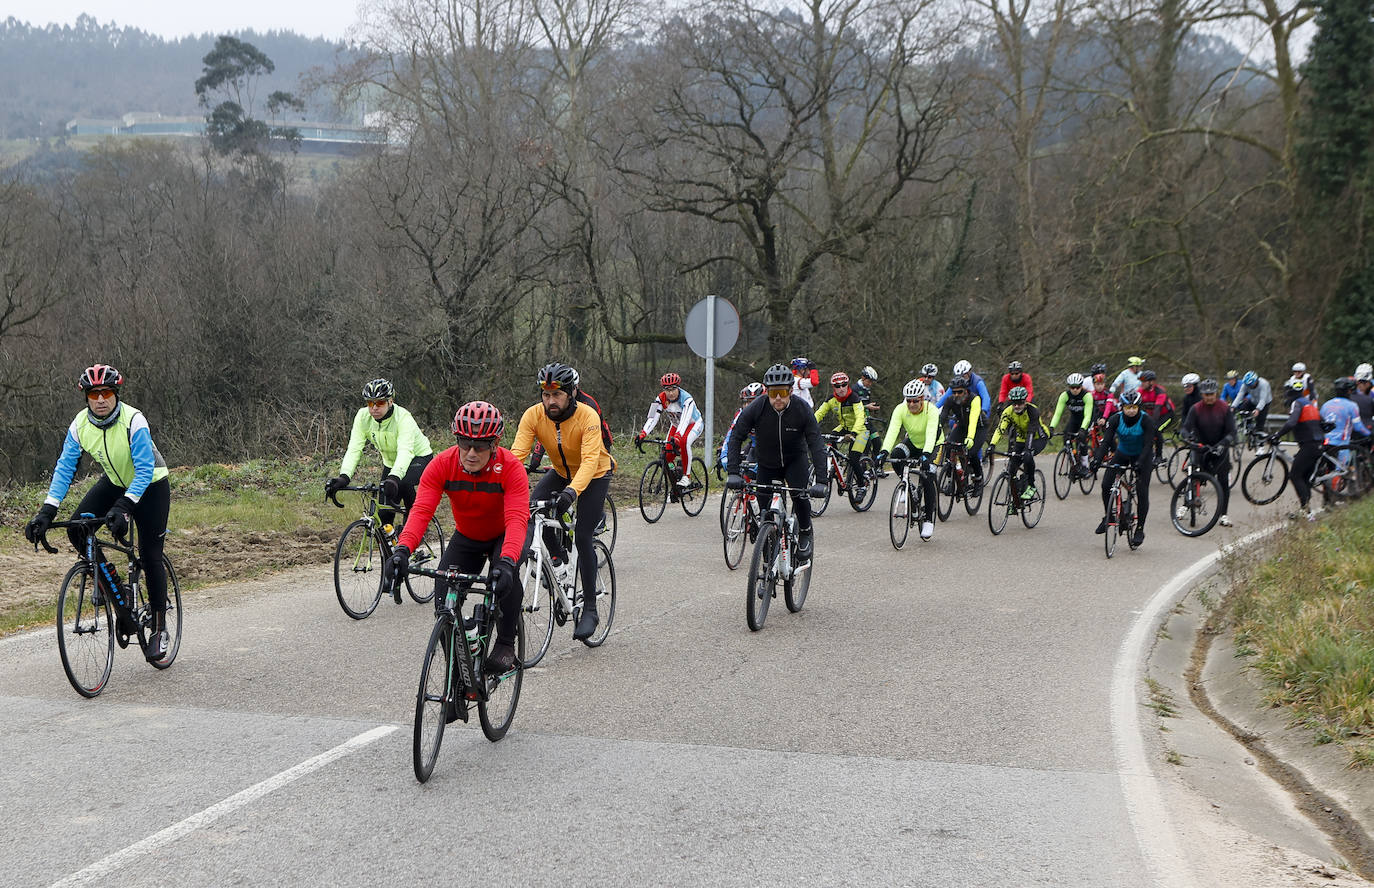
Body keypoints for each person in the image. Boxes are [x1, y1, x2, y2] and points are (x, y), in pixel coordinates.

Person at [24, 364, 173, 659]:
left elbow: (144, 470)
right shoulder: (80, 425)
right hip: (116, 482)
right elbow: (65, 468)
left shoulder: (134, 421)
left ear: (115, 394)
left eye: (106, 392)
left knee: (150, 555)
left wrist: (125, 506)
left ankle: (159, 627)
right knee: (77, 528)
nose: (100, 399)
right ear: (87, 398)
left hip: (152, 485)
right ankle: (119, 590)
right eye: (94, 394)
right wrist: (46, 512)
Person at [385, 402, 529, 677]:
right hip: (468, 536)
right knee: (443, 603)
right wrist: (402, 550)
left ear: (495, 444)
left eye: (481, 446)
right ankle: (458, 675)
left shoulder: (511, 468)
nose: (471, 453)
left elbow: (516, 520)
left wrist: (508, 562)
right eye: (465, 443)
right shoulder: (442, 465)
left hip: (503, 535)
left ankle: (506, 642)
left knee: (506, 582)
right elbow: (421, 512)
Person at [510, 362, 614, 641]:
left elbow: (591, 461)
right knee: (531, 510)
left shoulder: (587, 416)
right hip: (559, 471)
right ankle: (558, 559)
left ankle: (590, 607)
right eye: (545, 395)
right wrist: (504, 486)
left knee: (582, 535)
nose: (550, 401)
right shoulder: (533, 415)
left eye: (556, 395)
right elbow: (517, 456)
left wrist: (572, 492)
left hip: (594, 475)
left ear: (571, 393)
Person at [725, 364, 828, 562]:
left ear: (790, 391)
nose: (778, 398)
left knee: (799, 497)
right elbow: (736, 436)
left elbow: (816, 443)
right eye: (773, 393)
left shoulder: (801, 409)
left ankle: (805, 531)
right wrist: (734, 472)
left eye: (782, 392)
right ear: (767, 392)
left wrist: (822, 481)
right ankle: (766, 562)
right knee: (765, 514)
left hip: (794, 461)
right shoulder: (758, 407)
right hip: (767, 464)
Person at [325, 378, 435, 527]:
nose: (374, 408)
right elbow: (354, 449)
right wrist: (344, 477)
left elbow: (405, 451)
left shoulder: (403, 418)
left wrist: (395, 477)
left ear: (391, 401)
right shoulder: (363, 417)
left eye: (380, 403)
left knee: (403, 483)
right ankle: (391, 547)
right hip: (391, 464)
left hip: (418, 457)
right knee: (384, 515)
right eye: (370, 403)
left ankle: (416, 525)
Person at [875, 379, 940, 540]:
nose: (911, 404)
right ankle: (907, 485)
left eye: (915, 401)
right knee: (896, 455)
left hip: (933, 444)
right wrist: (884, 451)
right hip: (913, 442)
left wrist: (926, 454)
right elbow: (892, 431)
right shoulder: (900, 409)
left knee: (927, 476)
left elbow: (931, 434)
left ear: (922, 399)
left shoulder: (931, 411)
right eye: (908, 400)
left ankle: (928, 519)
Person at [1092, 391, 1156, 546]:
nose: (1131, 410)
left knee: (1142, 491)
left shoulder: (1145, 420)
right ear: (1122, 407)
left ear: (1139, 407)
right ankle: (1109, 517)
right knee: (1106, 485)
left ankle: (1139, 529)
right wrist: (1097, 460)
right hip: (1122, 453)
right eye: (1128, 407)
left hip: (1142, 456)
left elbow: (1148, 444)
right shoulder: (1115, 419)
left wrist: (1140, 462)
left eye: (1134, 407)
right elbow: (1106, 442)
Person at [1179, 379, 1237, 527]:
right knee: (1193, 477)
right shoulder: (1196, 408)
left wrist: (1223, 444)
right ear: (1202, 394)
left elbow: (1232, 432)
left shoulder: (1224, 408)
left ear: (1216, 393)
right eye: (1206, 394)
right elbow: (1185, 428)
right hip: (1201, 447)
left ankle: (1224, 515)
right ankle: (1186, 505)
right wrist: (1188, 438)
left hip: (1220, 448)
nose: (1209, 397)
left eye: (1211, 394)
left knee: (1223, 481)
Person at [635, 372, 702, 490]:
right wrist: (643, 434)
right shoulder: (660, 399)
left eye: (673, 389)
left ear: (678, 388)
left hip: (693, 424)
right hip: (676, 426)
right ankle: (674, 482)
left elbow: (685, 421)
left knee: (684, 442)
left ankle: (686, 476)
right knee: (667, 454)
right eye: (667, 390)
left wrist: (677, 437)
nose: (670, 393)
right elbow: (652, 418)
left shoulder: (687, 399)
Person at [1273, 377, 1325, 520]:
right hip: (1318, 443)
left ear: (1289, 391)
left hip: (1310, 444)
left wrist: (1277, 435)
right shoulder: (1309, 403)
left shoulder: (1297, 403)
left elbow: (1291, 423)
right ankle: (1307, 512)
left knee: (1295, 475)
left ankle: (1307, 512)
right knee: (1304, 478)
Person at [814, 371, 871, 499]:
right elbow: (818, 414)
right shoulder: (831, 400)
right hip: (844, 428)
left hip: (860, 430)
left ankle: (861, 486)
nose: (841, 389)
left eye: (844, 385)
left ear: (847, 384)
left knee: (853, 458)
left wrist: (854, 433)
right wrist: (808, 427)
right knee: (831, 438)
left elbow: (860, 417)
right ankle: (837, 464)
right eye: (837, 386)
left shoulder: (854, 398)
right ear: (833, 387)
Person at [988, 386, 1050, 503]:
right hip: (1021, 439)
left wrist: (1028, 450)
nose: (1016, 406)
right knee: (1011, 469)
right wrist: (992, 445)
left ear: (1025, 402)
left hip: (1037, 438)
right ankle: (1016, 499)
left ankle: (1031, 485)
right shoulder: (1008, 411)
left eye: (1020, 403)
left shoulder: (1033, 411)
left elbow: (1031, 432)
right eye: (1014, 403)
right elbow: (1000, 429)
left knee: (1027, 456)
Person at [937, 374, 988, 489]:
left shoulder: (974, 399)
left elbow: (973, 420)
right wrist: (936, 432)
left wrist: (970, 438)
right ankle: (952, 479)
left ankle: (978, 479)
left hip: (979, 427)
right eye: (954, 392)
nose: (956, 395)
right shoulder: (951, 400)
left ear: (965, 390)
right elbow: (943, 417)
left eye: (959, 392)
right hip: (962, 426)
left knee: (972, 452)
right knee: (949, 447)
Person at [1320, 378, 1370, 474]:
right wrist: (1369, 433)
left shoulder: (1326, 404)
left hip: (1325, 441)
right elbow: (1358, 427)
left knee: (1328, 468)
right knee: (1340, 470)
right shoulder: (1352, 406)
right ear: (1349, 391)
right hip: (1341, 443)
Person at [1049, 373, 1093, 477]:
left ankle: (1085, 465)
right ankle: (1073, 461)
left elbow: (1087, 415)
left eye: (1078, 387)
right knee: (1066, 438)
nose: (1075, 390)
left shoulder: (1087, 396)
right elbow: (1057, 413)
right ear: (1069, 387)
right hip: (1074, 419)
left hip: (1086, 420)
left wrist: (1083, 429)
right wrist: (1051, 427)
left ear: (1081, 386)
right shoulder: (1065, 396)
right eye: (1072, 387)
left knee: (1081, 439)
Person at [718, 382, 765, 469]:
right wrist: (725, 455)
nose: (750, 405)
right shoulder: (742, 414)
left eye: (754, 401)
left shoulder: (771, 412)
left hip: (772, 449)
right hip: (754, 446)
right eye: (747, 401)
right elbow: (731, 435)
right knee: (744, 472)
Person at [1135, 370, 1174, 464]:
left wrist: (1150, 425)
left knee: (1156, 429)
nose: (1142, 384)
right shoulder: (1140, 391)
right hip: (1152, 415)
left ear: (1151, 382)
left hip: (1166, 415)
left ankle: (1159, 456)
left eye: (1144, 382)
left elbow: (1157, 410)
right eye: (1141, 382)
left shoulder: (1160, 392)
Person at [1352, 364, 1374, 431]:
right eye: (1357, 383)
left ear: (1368, 383)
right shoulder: (1355, 390)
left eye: (1360, 383)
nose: (1358, 386)